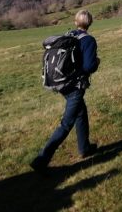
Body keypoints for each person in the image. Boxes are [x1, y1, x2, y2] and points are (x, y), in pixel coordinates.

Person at [30, 10, 100, 172]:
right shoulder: (88, 40)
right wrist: (97, 62)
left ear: (76, 22)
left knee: (81, 112)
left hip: (62, 83)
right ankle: (41, 160)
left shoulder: (68, 36)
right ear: (90, 23)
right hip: (74, 86)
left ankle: (85, 148)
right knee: (66, 123)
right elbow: (89, 66)